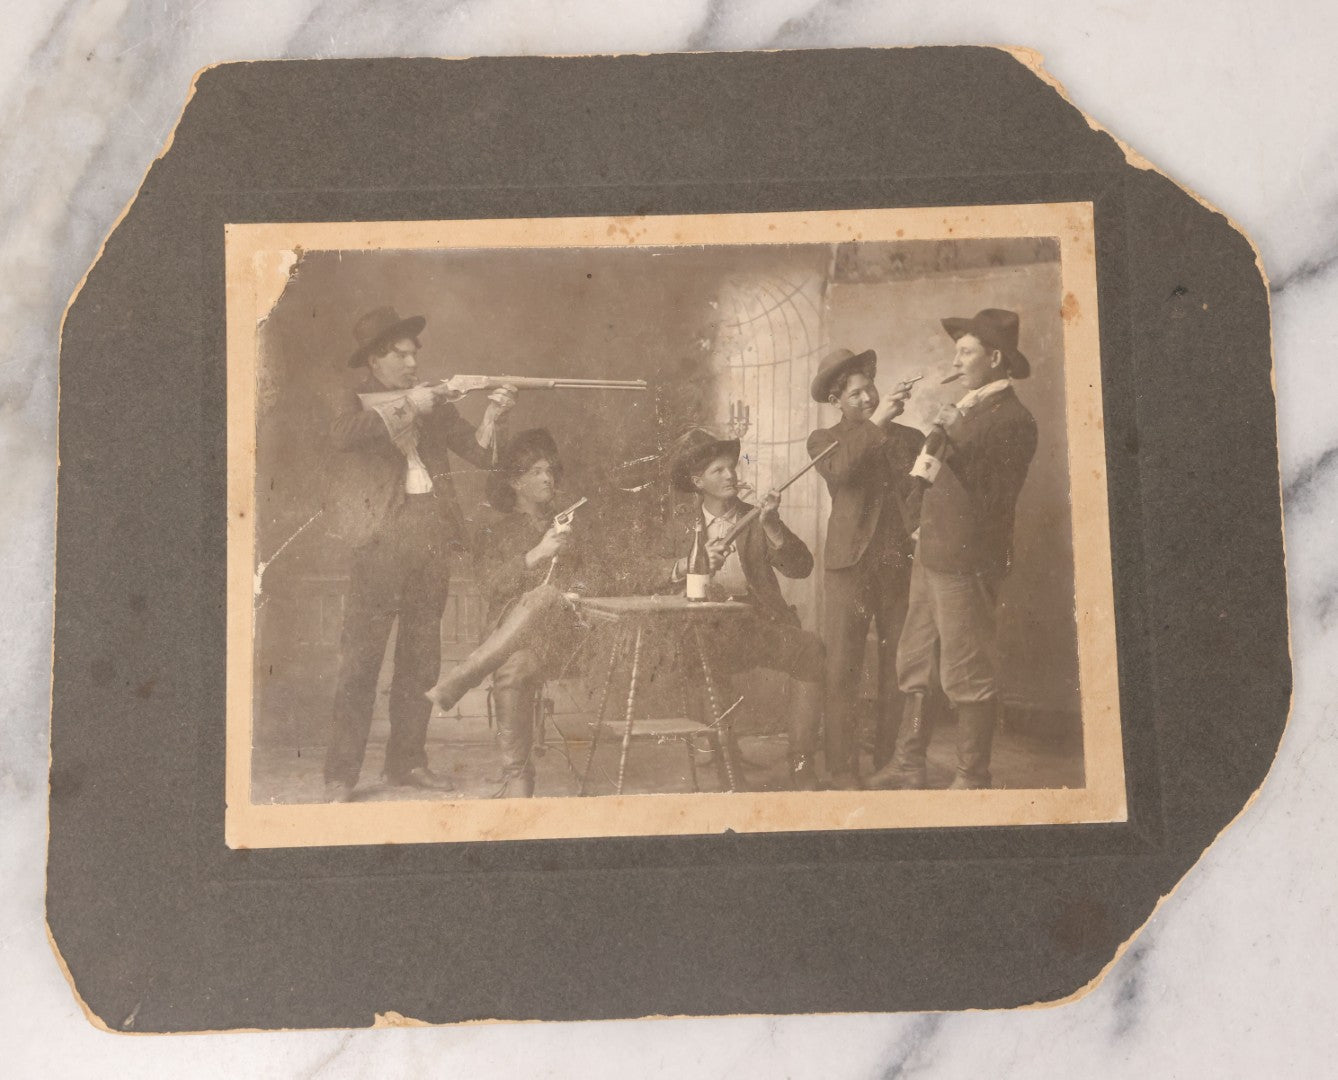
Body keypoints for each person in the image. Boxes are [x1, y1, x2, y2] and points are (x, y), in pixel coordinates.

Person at [321, 305, 516, 802]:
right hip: (379, 541)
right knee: (361, 665)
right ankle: (340, 776)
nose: (412, 363)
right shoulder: (351, 398)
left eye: (414, 355)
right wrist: (412, 406)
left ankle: (406, 764)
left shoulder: (434, 402)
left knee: (420, 661)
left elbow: (481, 454)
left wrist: (493, 413)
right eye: (401, 355)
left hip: (430, 537)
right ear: (374, 361)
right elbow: (343, 436)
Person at [869, 308, 1038, 790]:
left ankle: (971, 776)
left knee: (966, 670)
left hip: (968, 562)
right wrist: (918, 523)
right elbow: (929, 480)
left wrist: (951, 441)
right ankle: (909, 764)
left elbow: (994, 498)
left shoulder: (1013, 419)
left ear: (996, 358)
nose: (957, 359)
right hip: (931, 555)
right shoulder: (965, 409)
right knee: (915, 660)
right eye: (957, 351)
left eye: (966, 351)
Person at [424, 428, 590, 798]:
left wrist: (575, 591)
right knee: (514, 667)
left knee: (546, 594)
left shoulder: (567, 525)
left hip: (560, 632)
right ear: (515, 482)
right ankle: (518, 775)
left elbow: (591, 577)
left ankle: (464, 675)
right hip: (511, 640)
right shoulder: (492, 532)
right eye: (536, 472)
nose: (548, 478)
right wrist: (536, 554)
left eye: (549, 471)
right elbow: (490, 587)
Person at [659, 428, 826, 790]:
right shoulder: (680, 527)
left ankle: (800, 762)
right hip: (705, 628)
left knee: (811, 649)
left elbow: (801, 568)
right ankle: (725, 759)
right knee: (702, 657)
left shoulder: (755, 518)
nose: (730, 475)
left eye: (731, 467)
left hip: (755, 624)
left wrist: (772, 525)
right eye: (718, 470)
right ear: (697, 480)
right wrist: (689, 564)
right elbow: (648, 574)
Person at [806, 349, 923, 789]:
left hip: (897, 563)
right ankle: (841, 769)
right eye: (854, 394)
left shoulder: (910, 437)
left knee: (898, 665)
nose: (866, 398)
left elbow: (921, 491)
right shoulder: (824, 440)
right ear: (837, 400)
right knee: (843, 667)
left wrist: (920, 525)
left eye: (868, 389)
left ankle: (890, 763)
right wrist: (878, 425)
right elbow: (840, 472)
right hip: (848, 567)